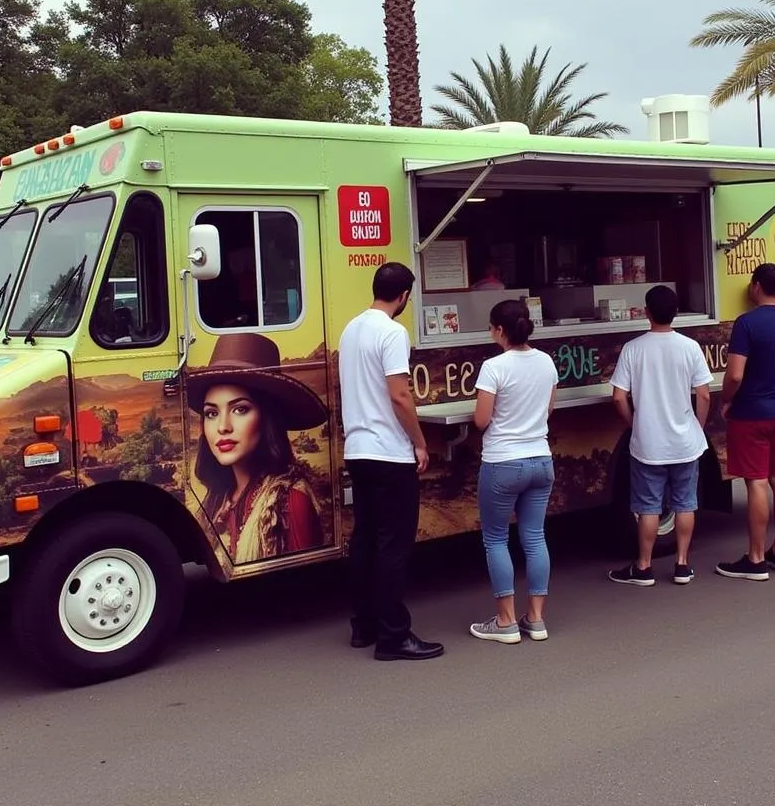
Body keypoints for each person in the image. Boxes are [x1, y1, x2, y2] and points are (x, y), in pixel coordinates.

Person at [338, 262, 444, 661]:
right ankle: (393, 636)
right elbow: (400, 395)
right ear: (403, 296)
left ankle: (362, 625)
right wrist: (419, 442)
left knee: (364, 540)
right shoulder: (393, 332)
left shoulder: (351, 329)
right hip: (389, 452)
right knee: (393, 546)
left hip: (359, 450)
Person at [187, 333, 327, 565]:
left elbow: (305, 586)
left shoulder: (289, 501)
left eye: (240, 409)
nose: (223, 427)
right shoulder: (219, 500)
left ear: (266, 418)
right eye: (211, 413)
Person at [607, 285, 712, 587]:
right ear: (676, 313)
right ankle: (682, 564)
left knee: (648, 506)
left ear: (646, 312)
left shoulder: (633, 348)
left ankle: (643, 567)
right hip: (684, 441)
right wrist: (698, 426)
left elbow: (617, 397)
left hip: (648, 443)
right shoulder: (689, 347)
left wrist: (634, 422)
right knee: (685, 503)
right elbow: (703, 395)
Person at [469, 299, 558, 644]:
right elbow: (547, 410)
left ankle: (505, 622)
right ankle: (536, 619)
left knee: (496, 539)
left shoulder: (493, 367)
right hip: (541, 460)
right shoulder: (547, 362)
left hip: (503, 463)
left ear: (500, 330)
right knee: (535, 538)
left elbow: (481, 420)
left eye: (491, 327)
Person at [716, 263, 775, 581]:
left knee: (756, 482)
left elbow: (735, 374)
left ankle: (755, 558)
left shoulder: (746, 323)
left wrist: (727, 399)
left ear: (756, 286)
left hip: (752, 413)